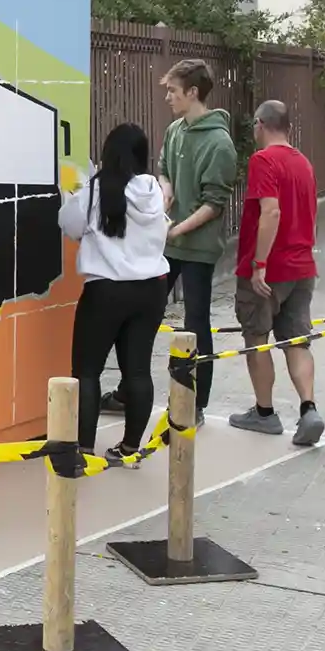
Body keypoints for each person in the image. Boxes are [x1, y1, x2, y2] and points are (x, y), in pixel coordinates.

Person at [99, 59, 236, 421]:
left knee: (196, 322)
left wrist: (175, 229)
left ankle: (196, 403)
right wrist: (166, 188)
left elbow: (214, 204)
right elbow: (163, 168)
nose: (167, 97)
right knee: (144, 315)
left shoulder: (219, 143)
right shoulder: (176, 130)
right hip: (166, 245)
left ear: (193, 93)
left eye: (173, 91)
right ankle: (129, 392)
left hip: (197, 250)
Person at [59, 123, 170, 466]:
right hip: (152, 289)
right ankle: (129, 449)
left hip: (106, 290)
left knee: (88, 371)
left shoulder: (95, 190)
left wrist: (69, 195)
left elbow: (69, 225)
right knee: (137, 371)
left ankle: (82, 453)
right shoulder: (153, 189)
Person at [229, 100, 325, 446]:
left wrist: (259, 265)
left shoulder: (263, 160)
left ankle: (265, 413)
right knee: (297, 340)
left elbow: (270, 212)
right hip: (302, 267)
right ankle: (308, 408)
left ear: (260, 124)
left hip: (270, 270)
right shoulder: (304, 163)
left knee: (257, 338)